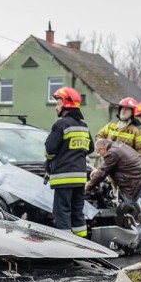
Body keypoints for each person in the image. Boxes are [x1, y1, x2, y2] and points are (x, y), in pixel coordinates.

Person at [86, 138, 141, 255]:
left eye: (99, 152)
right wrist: (99, 170)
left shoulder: (112, 152)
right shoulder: (118, 147)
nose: (99, 155)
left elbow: (103, 172)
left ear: (102, 148)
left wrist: (88, 186)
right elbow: (108, 167)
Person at [44, 86, 93, 238]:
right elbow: (90, 147)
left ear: (66, 104)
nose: (55, 107)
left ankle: (65, 246)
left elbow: (49, 150)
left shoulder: (61, 125)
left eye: (58, 102)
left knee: (62, 212)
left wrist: (52, 160)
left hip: (63, 178)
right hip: (80, 178)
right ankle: (82, 244)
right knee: (77, 213)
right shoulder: (83, 126)